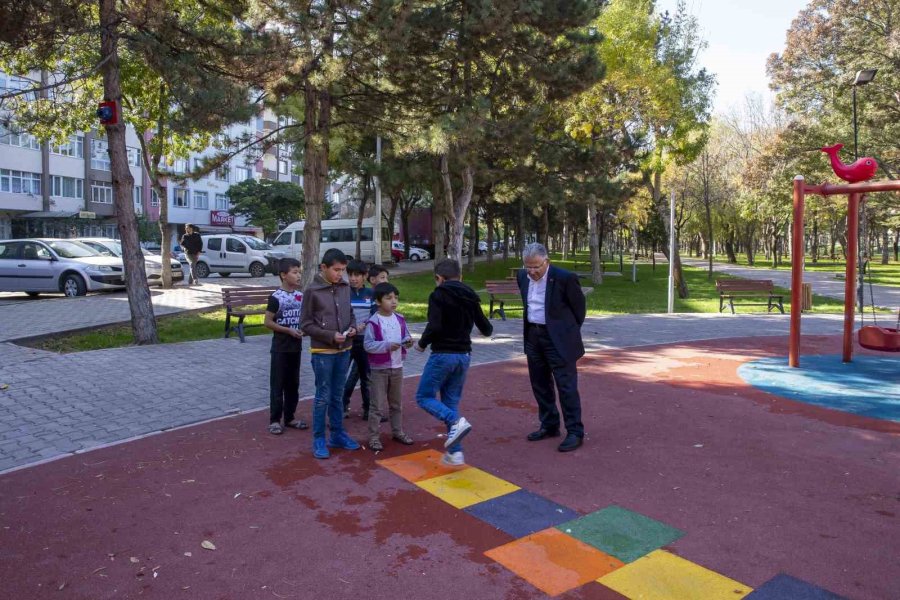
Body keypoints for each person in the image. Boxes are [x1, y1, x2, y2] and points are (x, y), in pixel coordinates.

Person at [415, 258, 493, 467]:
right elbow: (487, 328)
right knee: (450, 401)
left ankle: (456, 421)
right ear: (461, 276)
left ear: (438, 278)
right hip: (464, 356)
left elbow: (434, 325)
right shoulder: (471, 296)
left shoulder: (438, 294)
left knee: (424, 396)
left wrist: (421, 344)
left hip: (443, 354)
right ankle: (455, 453)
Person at [516, 242, 587, 452]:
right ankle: (549, 424)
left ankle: (575, 431)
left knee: (566, 386)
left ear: (546, 261)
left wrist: (565, 331)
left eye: (536, 266)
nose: (532, 271)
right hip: (533, 336)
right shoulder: (522, 277)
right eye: (528, 266)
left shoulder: (564, 278)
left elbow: (579, 309)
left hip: (558, 339)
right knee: (539, 384)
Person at [300, 249, 360, 459]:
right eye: (336, 270)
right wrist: (330, 336)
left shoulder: (344, 287)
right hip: (323, 352)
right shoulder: (312, 291)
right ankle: (319, 438)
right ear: (323, 267)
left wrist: (353, 328)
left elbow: (350, 313)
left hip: (344, 350)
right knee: (323, 396)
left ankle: (337, 434)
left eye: (343, 270)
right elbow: (305, 324)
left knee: (337, 394)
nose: (340, 274)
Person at [363, 282, 415, 451]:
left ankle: (397, 431)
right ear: (378, 301)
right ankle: (373, 437)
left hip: (397, 367)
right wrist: (386, 346)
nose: (393, 301)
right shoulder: (373, 322)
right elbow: (368, 345)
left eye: (396, 298)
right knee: (377, 406)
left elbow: (406, 336)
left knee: (396, 404)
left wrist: (408, 342)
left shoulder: (400, 319)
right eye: (388, 298)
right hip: (379, 369)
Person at [263, 258, 308, 435]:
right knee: (278, 384)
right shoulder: (276, 297)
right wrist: (287, 330)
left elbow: (303, 319)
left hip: (296, 347)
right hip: (280, 348)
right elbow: (268, 322)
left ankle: (290, 417)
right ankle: (275, 420)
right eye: (294, 272)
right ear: (283, 275)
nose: (298, 276)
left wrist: (303, 329)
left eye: (299, 272)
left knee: (293, 384)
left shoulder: (300, 296)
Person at [342, 260, 374, 419]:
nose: (353, 279)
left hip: (364, 341)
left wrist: (364, 324)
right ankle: (341, 407)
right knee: (341, 375)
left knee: (366, 377)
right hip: (347, 341)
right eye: (350, 275)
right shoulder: (343, 293)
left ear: (365, 276)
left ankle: (368, 409)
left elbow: (375, 314)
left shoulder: (370, 294)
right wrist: (351, 327)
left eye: (357, 275)